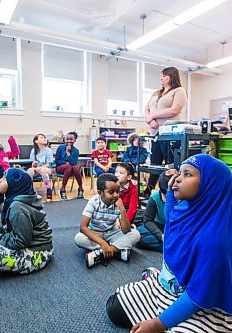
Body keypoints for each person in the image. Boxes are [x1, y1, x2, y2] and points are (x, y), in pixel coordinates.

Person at [107, 154, 232, 332]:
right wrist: (172, 192)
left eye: (187, 174)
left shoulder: (215, 243)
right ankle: (157, 281)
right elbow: (171, 215)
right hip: (169, 289)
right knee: (115, 307)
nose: (179, 178)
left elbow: (197, 296)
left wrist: (158, 323)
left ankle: (166, 311)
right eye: (179, 173)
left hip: (202, 303)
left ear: (210, 185)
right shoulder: (184, 211)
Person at [75, 173, 140, 268]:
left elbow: (126, 230)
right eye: (111, 192)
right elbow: (83, 227)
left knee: (135, 234)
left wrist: (122, 209)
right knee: (79, 238)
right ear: (100, 193)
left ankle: (101, 253)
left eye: (118, 191)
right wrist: (102, 243)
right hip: (95, 233)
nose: (116, 195)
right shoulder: (93, 202)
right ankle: (117, 251)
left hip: (111, 232)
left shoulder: (118, 203)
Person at [144, 67, 187, 198]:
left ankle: (170, 190)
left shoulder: (179, 91)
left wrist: (153, 116)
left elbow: (174, 110)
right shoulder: (156, 93)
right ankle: (149, 189)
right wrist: (149, 119)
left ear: (171, 76)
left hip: (169, 132)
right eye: (161, 76)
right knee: (155, 162)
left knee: (170, 163)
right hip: (154, 132)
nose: (161, 78)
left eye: (164, 76)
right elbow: (146, 109)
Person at [135, 171, 172, 252]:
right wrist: (161, 236)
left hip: (175, 228)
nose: (167, 200)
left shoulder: (182, 198)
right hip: (159, 226)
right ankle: (172, 246)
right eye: (165, 196)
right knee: (137, 236)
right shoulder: (155, 197)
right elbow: (147, 220)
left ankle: (172, 245)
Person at [55, 131, 84, 200]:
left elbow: (74, 163)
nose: (69, 141)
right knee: (69, 166)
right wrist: (65, 162)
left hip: (71, 169)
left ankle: (80, 187)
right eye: (67, 139)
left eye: (71, 139)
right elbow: (57, 161)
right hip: (60, 168)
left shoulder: (76, 150)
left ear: (75, 140)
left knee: (75, 167)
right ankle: (63, 188)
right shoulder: (60, 148)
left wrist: (68, 153)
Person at [27, 133, 54, 203]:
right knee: (29, 171)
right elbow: (32, 164)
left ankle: (49, 193)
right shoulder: (33, 151)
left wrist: (40, 168)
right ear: (36, 141)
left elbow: (48, 164)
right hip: (37, 169)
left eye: (44, 137)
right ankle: (29, 192)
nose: (44, 139)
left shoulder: (48, 150)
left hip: (47, 169)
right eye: (41, 137)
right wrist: (33, 165)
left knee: (43, 170)